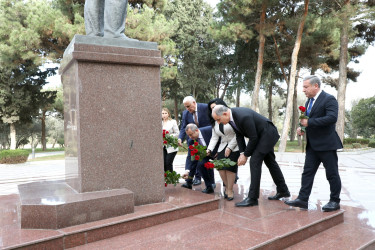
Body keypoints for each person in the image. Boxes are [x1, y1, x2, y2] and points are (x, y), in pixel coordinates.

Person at [212, 105, 290, 207]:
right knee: (270, 162)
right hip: (261, 135)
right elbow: (239, 135)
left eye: (218, 119)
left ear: (225, 114)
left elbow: (253, 138)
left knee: (254, 161)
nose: (218, 122)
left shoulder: (242, 116)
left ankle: (252, 198)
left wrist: (245, 155)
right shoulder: (232, 118)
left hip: (267, 134)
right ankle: (283, 190)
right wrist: (242, 153)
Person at [285, 75, 343, 212]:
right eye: (303, 87)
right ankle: (303, 199)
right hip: (312, 145)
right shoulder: (308, 102)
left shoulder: (329, 99)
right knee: (307, 172)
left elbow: (332, 118)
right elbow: (308, 121)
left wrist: (309, 122)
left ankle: (335, 201)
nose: (303, 90)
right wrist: (302, 128)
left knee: (332, 174)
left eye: (306, 87)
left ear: (315, 86)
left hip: (327, 144)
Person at [206, 99, 240, 201]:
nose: (213, 109)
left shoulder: (231, 116)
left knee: (230, 168)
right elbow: (214, 137)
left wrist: (230, 147)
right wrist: (209, 149)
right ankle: (226, 187)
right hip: (222, 145)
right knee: (220, 168)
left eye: (215, 107)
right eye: (211, 108)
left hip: (235, 145)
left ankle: (229, 190)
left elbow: (238, 133)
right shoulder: (215, 121)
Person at [178, 96, 211, 186]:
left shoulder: (205, 108)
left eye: (188, 106)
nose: (187, 109)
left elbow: (211, 123)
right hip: (192, 139)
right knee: (191, 158)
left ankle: (207, 181)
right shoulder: (185, 113)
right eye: (185, 107)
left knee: (205, 161)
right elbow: (183, 127)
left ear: (194, 103)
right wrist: (180, 138)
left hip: (206, 138)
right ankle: (189, 181)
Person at [181, 124, 216, 194]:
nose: (190, 137)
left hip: (216, 151)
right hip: (204, 155)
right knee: (199, 164)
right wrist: (187, 170)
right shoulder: (191, 140)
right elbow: (190, 156)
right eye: (188, 135)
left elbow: (219, 138)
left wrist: (215, 151)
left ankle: (216, 184)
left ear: (196, 130)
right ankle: (208, 187)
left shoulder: (209, 130)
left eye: (191, 134)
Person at [162, 108, 179, 172]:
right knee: (163, 163)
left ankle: (171, 179)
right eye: (162, 113)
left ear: (168, 114)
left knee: (168, 163)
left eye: (165, 113)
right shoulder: (159, 123)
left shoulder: (173, 122)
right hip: (163, 146)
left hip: (171, 145)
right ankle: (165, 178)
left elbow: (177, 133)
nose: (164, 115)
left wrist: (168, 136)